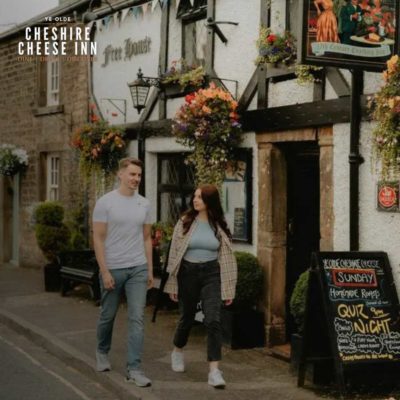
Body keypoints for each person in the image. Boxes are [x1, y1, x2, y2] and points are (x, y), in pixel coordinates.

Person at [164, 184, 237, 389]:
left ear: (209, 202)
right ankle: (178, 350)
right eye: (194, 196)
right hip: (188, 273)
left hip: (212, 274)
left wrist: (228, 288)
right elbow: (174, 254)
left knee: (213, 320)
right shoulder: (185, 222)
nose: (195, 200)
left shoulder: (219, 225)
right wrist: (172, 285)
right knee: (186, 318)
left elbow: (227, 257)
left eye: (200, 198)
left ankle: (214, 371)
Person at [93, 157, 154, 387]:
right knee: (107, 316)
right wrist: (105, 270)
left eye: (139, 175)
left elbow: (147, 238)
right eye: (132, 174)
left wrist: (149, 269)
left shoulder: (144, 204)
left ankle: (135, 369)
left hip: (137, 268)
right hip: (113, 268)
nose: (136, 179)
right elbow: (98, 239)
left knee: (137, 318)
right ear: (120, 174)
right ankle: (101, 351)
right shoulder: (105, 202)